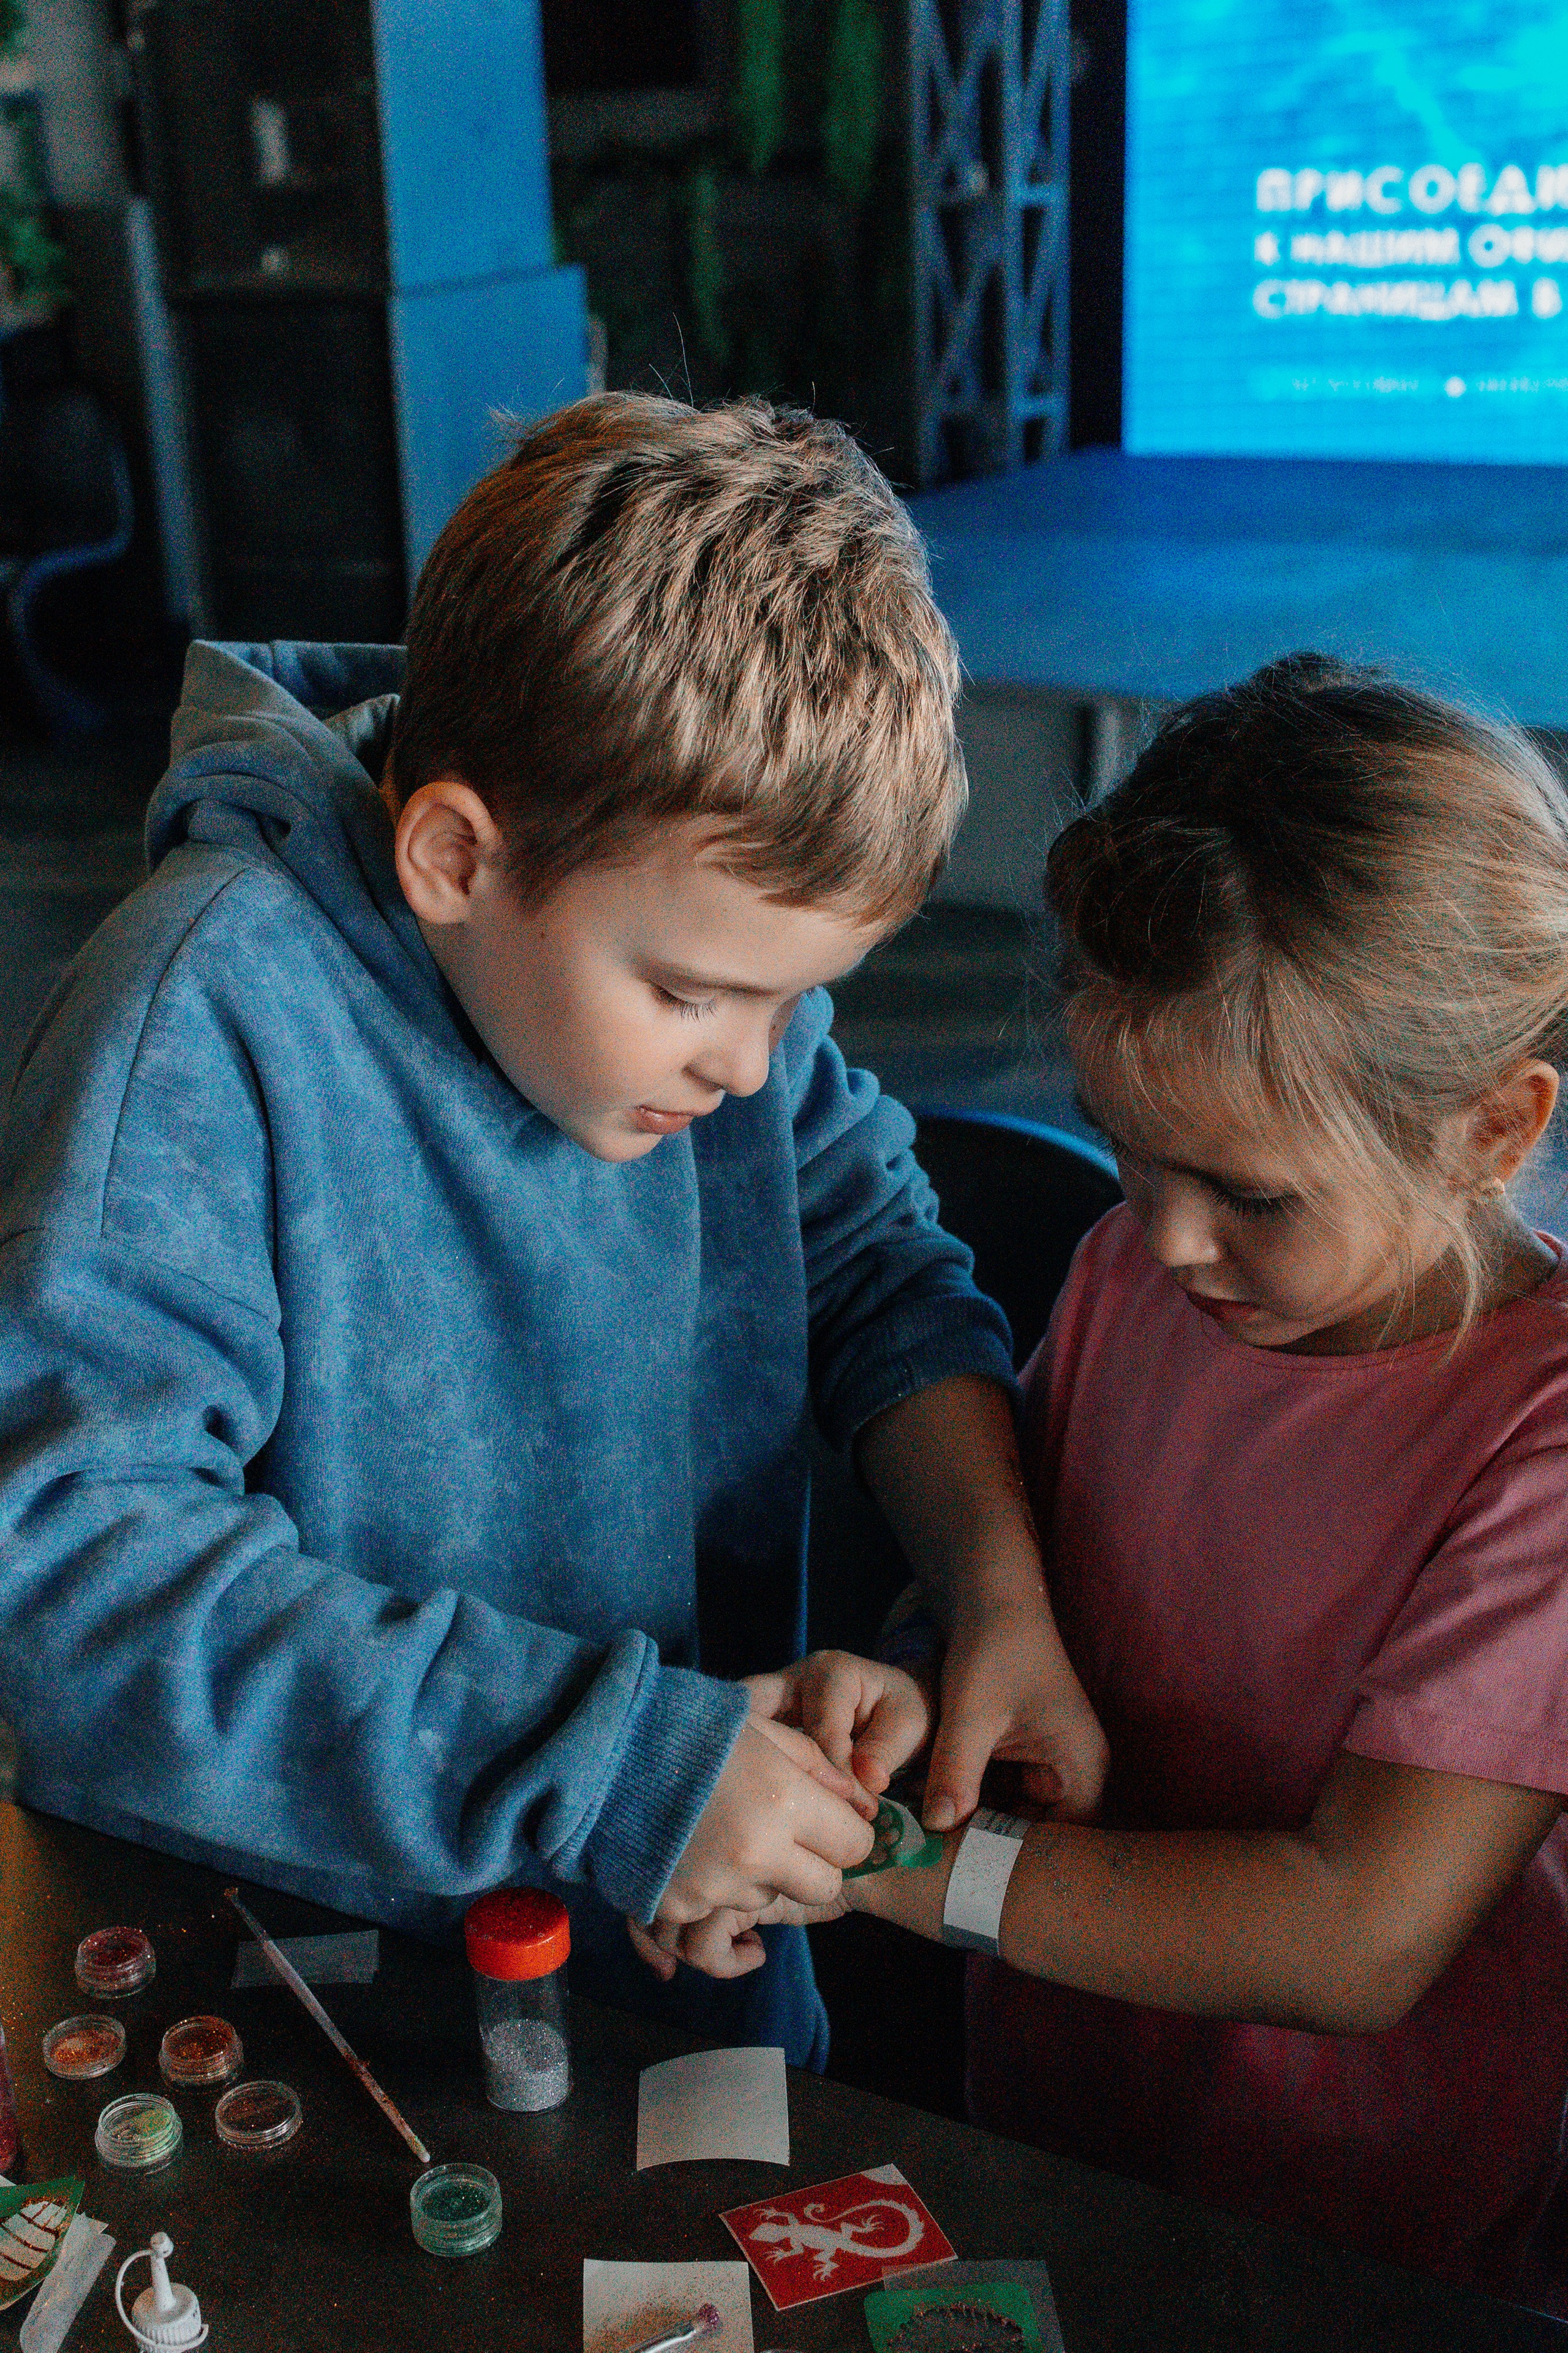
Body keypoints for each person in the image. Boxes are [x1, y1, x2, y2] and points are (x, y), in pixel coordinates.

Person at [0, 393, 1108, 2064]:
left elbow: (881, 1263)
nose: (749, 1066)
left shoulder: (713, 974)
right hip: (309, 1998)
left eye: (796, 1000)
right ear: (456, 854)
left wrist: (993, 1590)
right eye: (687, 994)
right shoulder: (208, 1011)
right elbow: (71, 1578)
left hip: (667, 1925)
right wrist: (620, 1760)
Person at [653, 655, 1568, 2283]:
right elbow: (1032, 1598)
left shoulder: (1539, 1432)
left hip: (1348, 2218)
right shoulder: (1134, 1275)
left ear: (1496, 1128)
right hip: (1054, 2106)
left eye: (1250, 1193)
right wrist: (908, 1710)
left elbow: (1356, 1934)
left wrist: (866, 1859)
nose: (1164, 1235)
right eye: (1126, 1148)